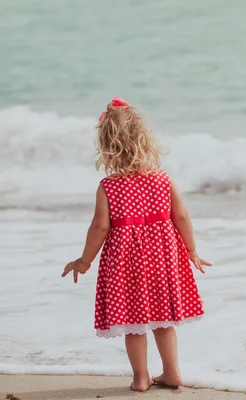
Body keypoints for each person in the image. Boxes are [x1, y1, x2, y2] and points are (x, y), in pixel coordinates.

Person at [61, 97, 211, 392]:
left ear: (108, 147)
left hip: (125, 261)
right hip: (163, 258)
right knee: (163, 321)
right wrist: (191, 250)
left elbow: (100, 227)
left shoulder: (109, 187)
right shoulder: (163, 180)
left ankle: (141, 378)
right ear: (145, 141)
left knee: (134, 323)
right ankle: (172, 373)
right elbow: (181, 215)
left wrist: (85, 260)